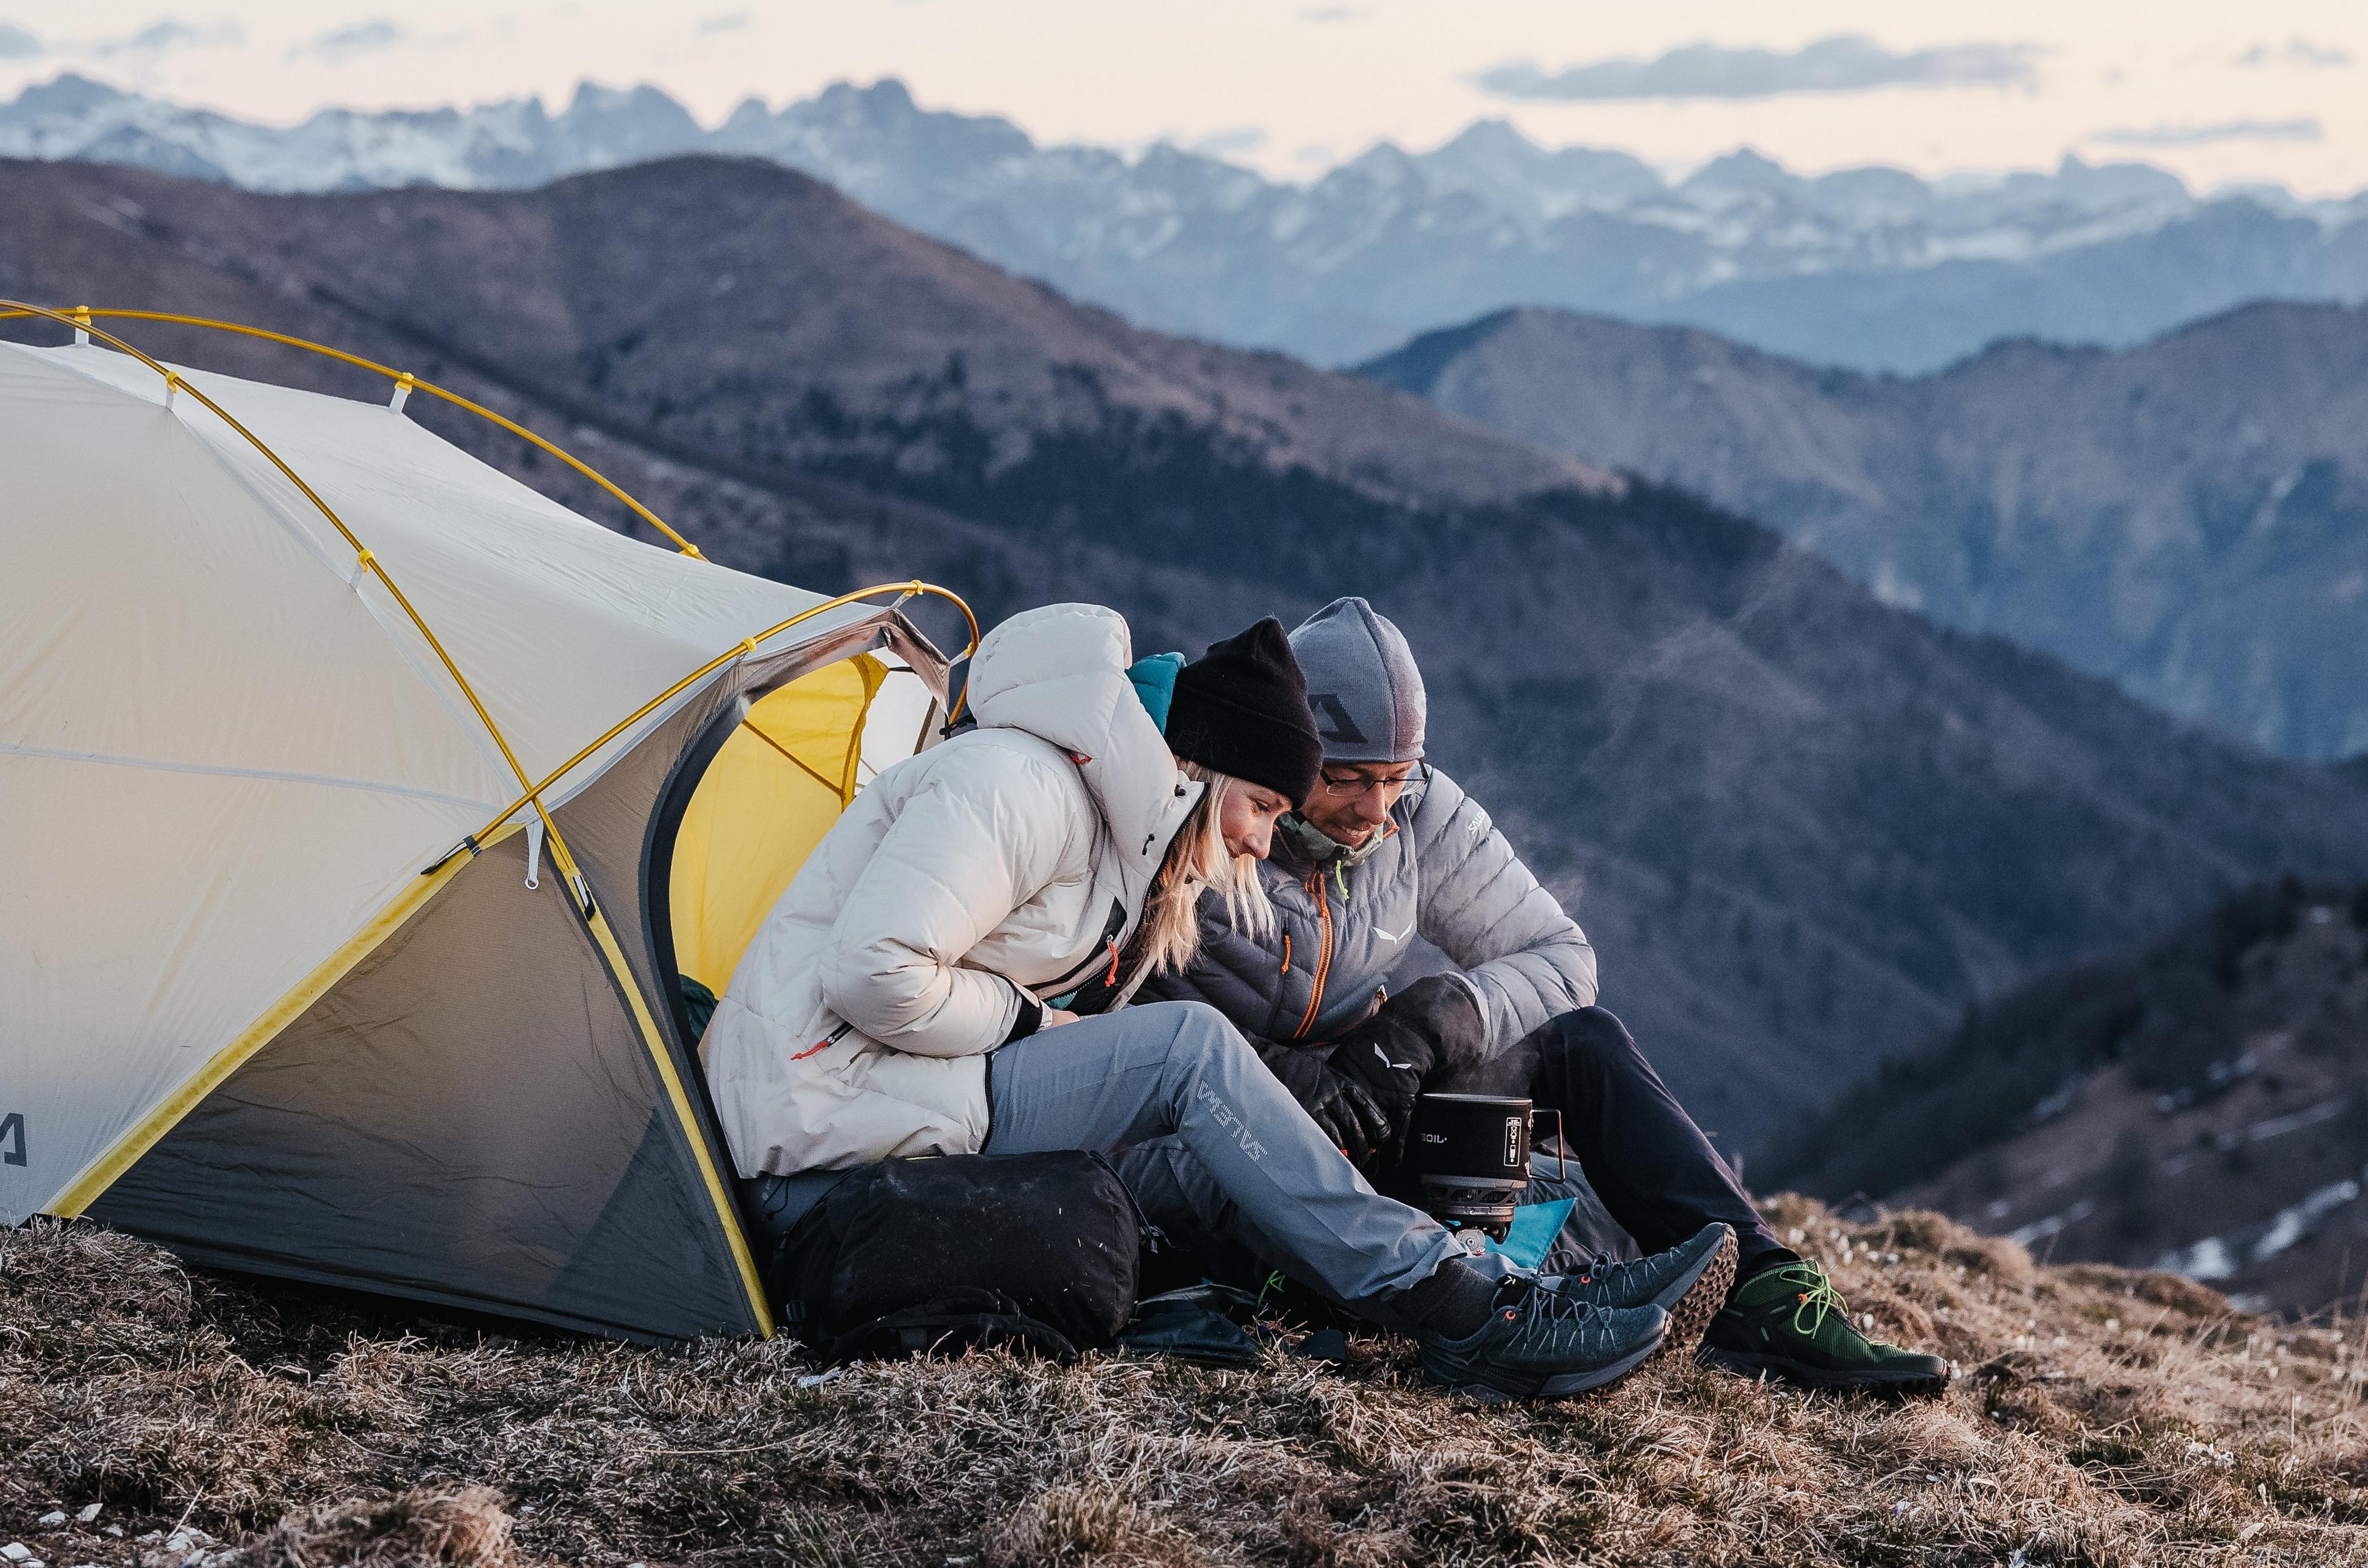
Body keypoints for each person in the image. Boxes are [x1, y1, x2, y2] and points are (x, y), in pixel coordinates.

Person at [701, 603, 1709, 1400]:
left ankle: (1511, 1285)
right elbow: (874, 974)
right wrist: (1024, 1022)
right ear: (1202, 767)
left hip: (892, 1102)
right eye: (1264, 805)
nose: (1265, 842)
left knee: (1207, 1122)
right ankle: (1460, 1305)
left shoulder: (1101, 822)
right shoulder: (1018, 786)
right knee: (1186, 1049)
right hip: (822, 1128)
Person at [1155, 595, 1947, 1400]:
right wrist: (1274, 1071)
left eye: (1395, 779)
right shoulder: (1204, 813)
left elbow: (1564, 958)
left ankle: (1769, 1297)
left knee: (1584, 1044)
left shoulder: (1417, 814)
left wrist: (1439, 1018)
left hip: (1374, 1107)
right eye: (1348, 780)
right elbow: (1110, 1000)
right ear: (1283, 754)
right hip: (1235, 1135)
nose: (1374, 811)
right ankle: (1509, 1295)